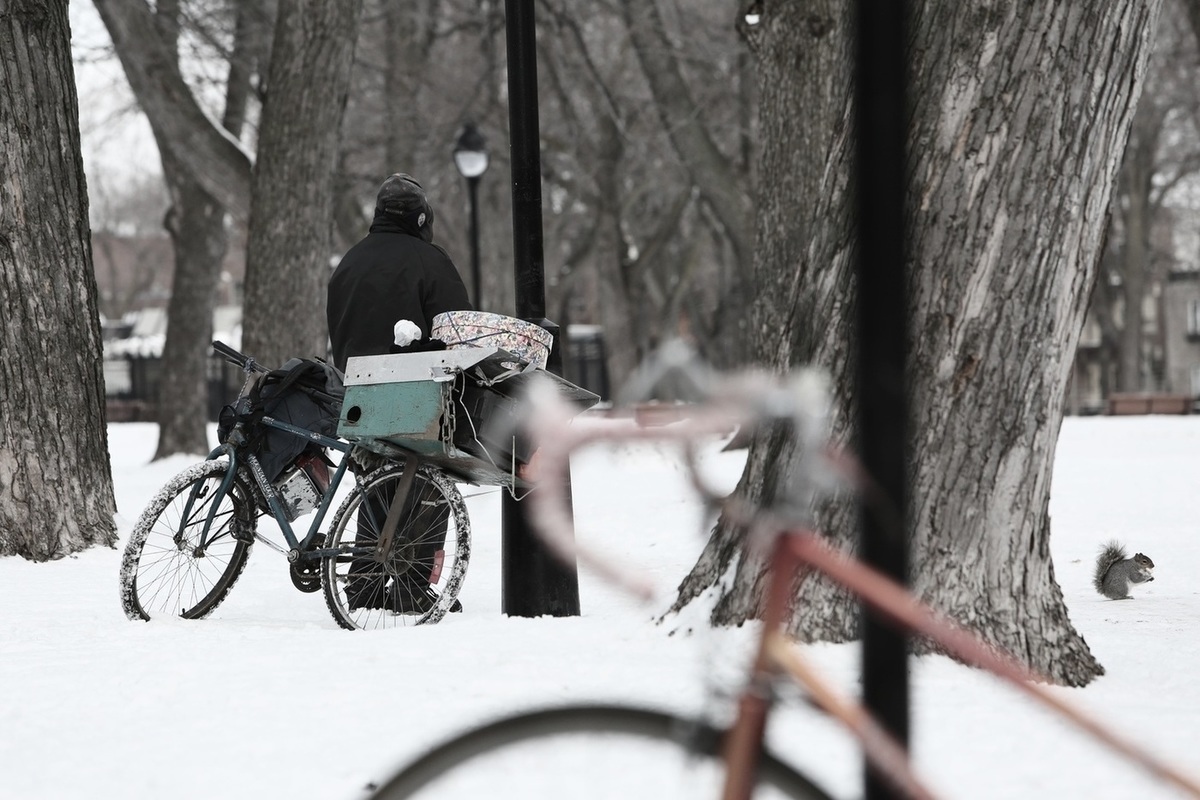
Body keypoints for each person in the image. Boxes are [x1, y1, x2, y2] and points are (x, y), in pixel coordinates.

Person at [327, 173, 472, 614]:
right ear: (421, 218)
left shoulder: (348, 262)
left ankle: (365, 583)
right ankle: (412, 586)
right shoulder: (429, 260)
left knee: (374, 487)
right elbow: (457, 328)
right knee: (429, 485)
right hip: (415, 392)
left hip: (358, 393)